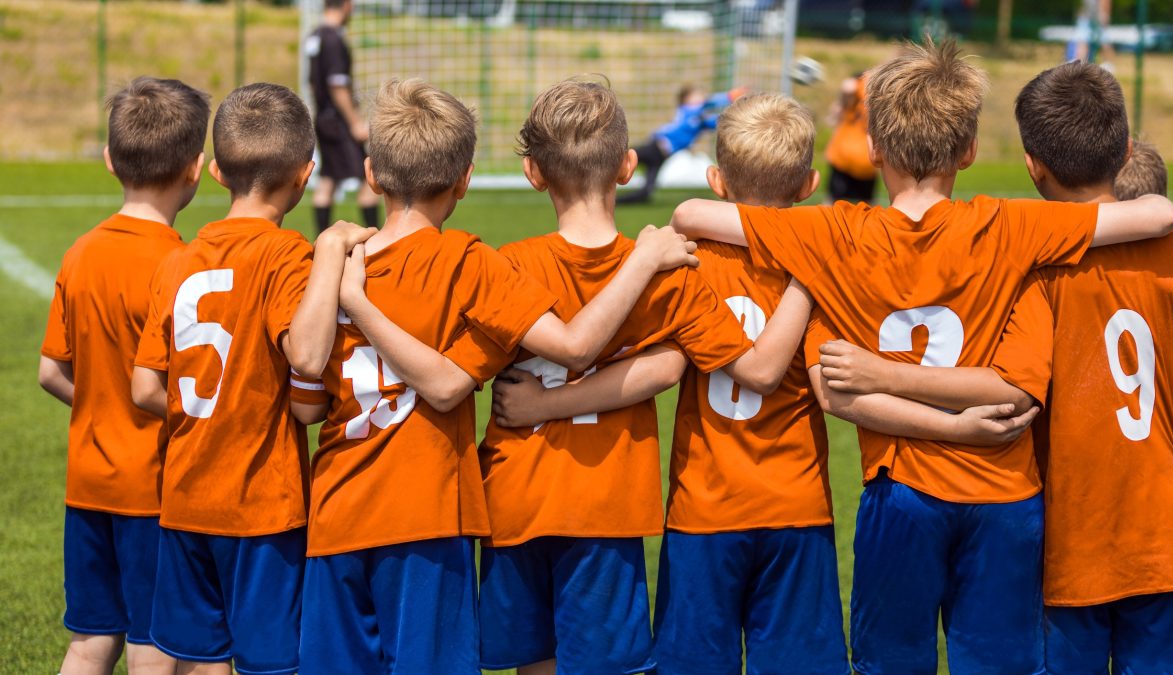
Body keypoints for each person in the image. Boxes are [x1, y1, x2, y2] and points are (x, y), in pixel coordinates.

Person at [668, 39, 1173, 673]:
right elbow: (1157, 215)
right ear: (968, 150)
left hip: (901, 489)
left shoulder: (836, 233)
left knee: (892, 663)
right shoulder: (1010, 225)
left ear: (875, 148)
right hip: (1002, 493)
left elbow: (694, 212)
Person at [285, 77, 701, 674]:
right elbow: (565, 348)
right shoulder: (470, 263)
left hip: (336, 511)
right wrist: (644, 255)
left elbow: (304, 403)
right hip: (427, 515)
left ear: (371, 174)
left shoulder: (329, 273)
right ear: (465, 178)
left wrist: (338, 270)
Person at [815, 62, 1173, 674]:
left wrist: (881, 374)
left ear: (1032, 166)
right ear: (1125, 151)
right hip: (1171, 529)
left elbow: (1013, 392)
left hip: (1070, 532)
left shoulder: (1036, 270)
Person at [474, 79, 826, 675]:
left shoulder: (505, 266)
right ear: (628, 166)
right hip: (610, 504)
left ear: (532, 173)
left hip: (517, 496)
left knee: (535, 661)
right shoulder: (671, 271)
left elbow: (457, 375)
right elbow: (670, 366)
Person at [129, 82, 373, 675]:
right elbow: (309, 357)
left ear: (215, 171)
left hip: (185, 499)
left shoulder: (177, 258)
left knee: (202, 659)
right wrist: (332, 249)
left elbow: (143, 388)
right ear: (305, 174)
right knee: (270, 663)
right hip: (262, 507)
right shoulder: (288, 255)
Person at [38, 76, 209, 675]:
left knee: (90, 641)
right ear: (196, 168)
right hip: (152, 490)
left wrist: (101, 407)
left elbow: (49, 372)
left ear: (110, 160)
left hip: (87, 484)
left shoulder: (80, 251)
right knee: (154, 643)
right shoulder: (180, 264)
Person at [306, 0, 380, 234]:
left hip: (323, 118)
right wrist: (355, 122)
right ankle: (374, 238)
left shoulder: (315, 36)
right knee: (369, 178)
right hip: (338, 122)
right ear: (346, 5)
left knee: (328, 177)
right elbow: (337, 85)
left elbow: (312, 81)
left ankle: (320, 239)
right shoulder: (334, 40)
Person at [616, 84, 746, 205]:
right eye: (696, 96)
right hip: (654, 147)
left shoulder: (700, 121)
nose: (701, 97)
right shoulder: (687, 111)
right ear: (686, 100)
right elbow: (706, 104)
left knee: (646, 193)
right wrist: (728, 96)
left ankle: (617, 201)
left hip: (661, 157)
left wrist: (739, 115)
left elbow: (719, 121)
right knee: (617, 162)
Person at [825, 72, 878, 203]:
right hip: (843, 163)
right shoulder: (855, 96)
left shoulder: (876, 99)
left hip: (867, 167)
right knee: (834, 205)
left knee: (864, 208)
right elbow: (847, 88)